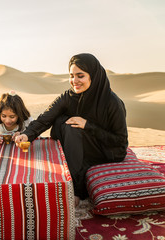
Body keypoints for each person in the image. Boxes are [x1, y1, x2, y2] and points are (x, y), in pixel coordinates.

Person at [15, 53, 128, 205]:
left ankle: (76, 189)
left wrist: (88, 125)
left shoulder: (112, 102)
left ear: (93, 76)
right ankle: (74, 167)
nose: (75, 81)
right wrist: (27, 135)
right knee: (62, 120)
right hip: (79, 143)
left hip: (106, 149)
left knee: (71, 128)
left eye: (80, 76)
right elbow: (45, 118)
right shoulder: (68, 97)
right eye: (71, 75)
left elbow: (120, 142)